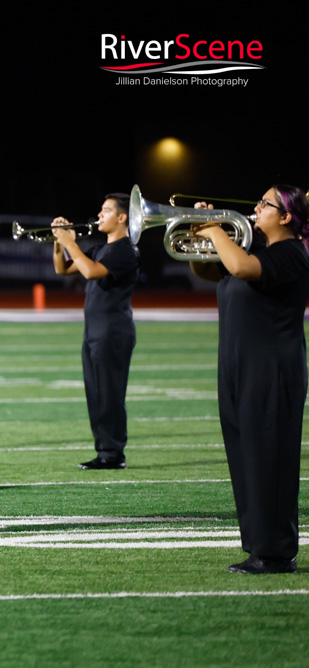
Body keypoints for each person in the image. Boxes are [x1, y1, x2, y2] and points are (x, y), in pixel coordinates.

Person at [189, 185, 309, 574]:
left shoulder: (291, 253)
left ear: (286, 217)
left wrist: (214, 228)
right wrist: (200, 234)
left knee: (268, 457)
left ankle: (276, 552)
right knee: (246, 459)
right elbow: (208, 269)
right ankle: (259, 544)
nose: (256, 207)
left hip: (271, 368)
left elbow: (241, 269)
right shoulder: (252, 248)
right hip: (238, 365)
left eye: (265, 203)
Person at [51, 194, 139, 470]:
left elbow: (90, 272)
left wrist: (70, 243)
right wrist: (58, 241)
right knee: (97, 393)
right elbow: (62, 268)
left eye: (106, 210)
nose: (100, 214)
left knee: (109, 394)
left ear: (122, 217)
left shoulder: (126, 250)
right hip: (95, 330)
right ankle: (105, 451)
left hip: (113, 331)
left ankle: (113, 453)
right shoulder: (100, 248)